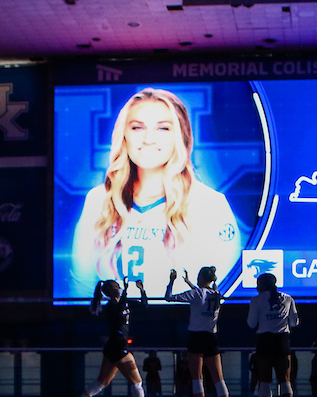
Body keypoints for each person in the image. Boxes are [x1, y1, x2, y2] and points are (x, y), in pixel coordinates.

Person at [70, 88, 242, 300]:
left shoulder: (210, 204)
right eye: (137, 127)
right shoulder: (99, 200)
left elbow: (219, 291)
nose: (149, 139)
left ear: (181, 136)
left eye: (163, 128)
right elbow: (82, 288)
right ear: (123, 134)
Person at [67, 278, 165, 397]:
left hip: (114, 348)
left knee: (102, 382)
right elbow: (118, 310)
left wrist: (142, 290)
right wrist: (125, 290)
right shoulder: (111, 306)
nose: (118, 287)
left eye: (119, 286)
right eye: (115, 286)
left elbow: (144, 306)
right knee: (136, 381)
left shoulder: (124, 302)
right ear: (109, 291)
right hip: (118, 347)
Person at [164, 266, 238, 397]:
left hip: (195, 337)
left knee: (197, 378)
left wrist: (172, 281)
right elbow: (202, 294)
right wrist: (189, 283)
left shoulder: (196, 294)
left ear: (202, 278)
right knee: (219, 378)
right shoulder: (217, 295)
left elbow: (168, 297)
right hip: (211, 337)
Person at [247, 272, 299, 397]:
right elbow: (294, 322)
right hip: (282, 342)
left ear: (260, 285)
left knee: (264, 380)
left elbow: (251, 323)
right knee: (285, 380)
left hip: (264, 342)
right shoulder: (288, 298)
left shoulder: (256, 300)